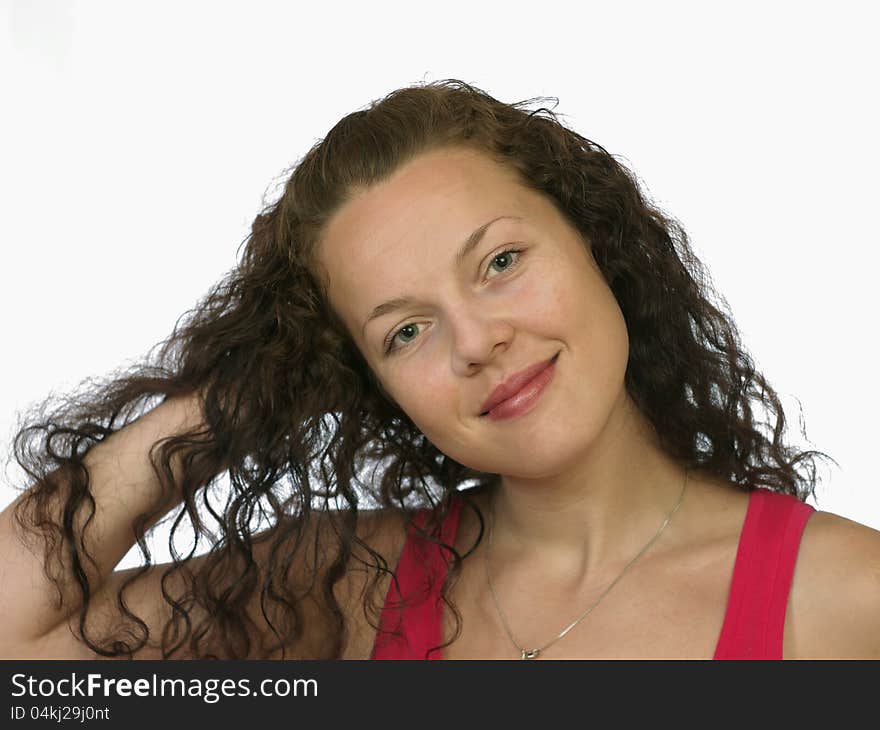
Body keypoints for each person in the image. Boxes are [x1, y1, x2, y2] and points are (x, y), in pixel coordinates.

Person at [1, 79, 878, 661]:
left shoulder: (846, 598)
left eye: (499, 262)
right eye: (406, 332)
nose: (475, 342)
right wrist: (245, 391)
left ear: (598, 242)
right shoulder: (347, 585)